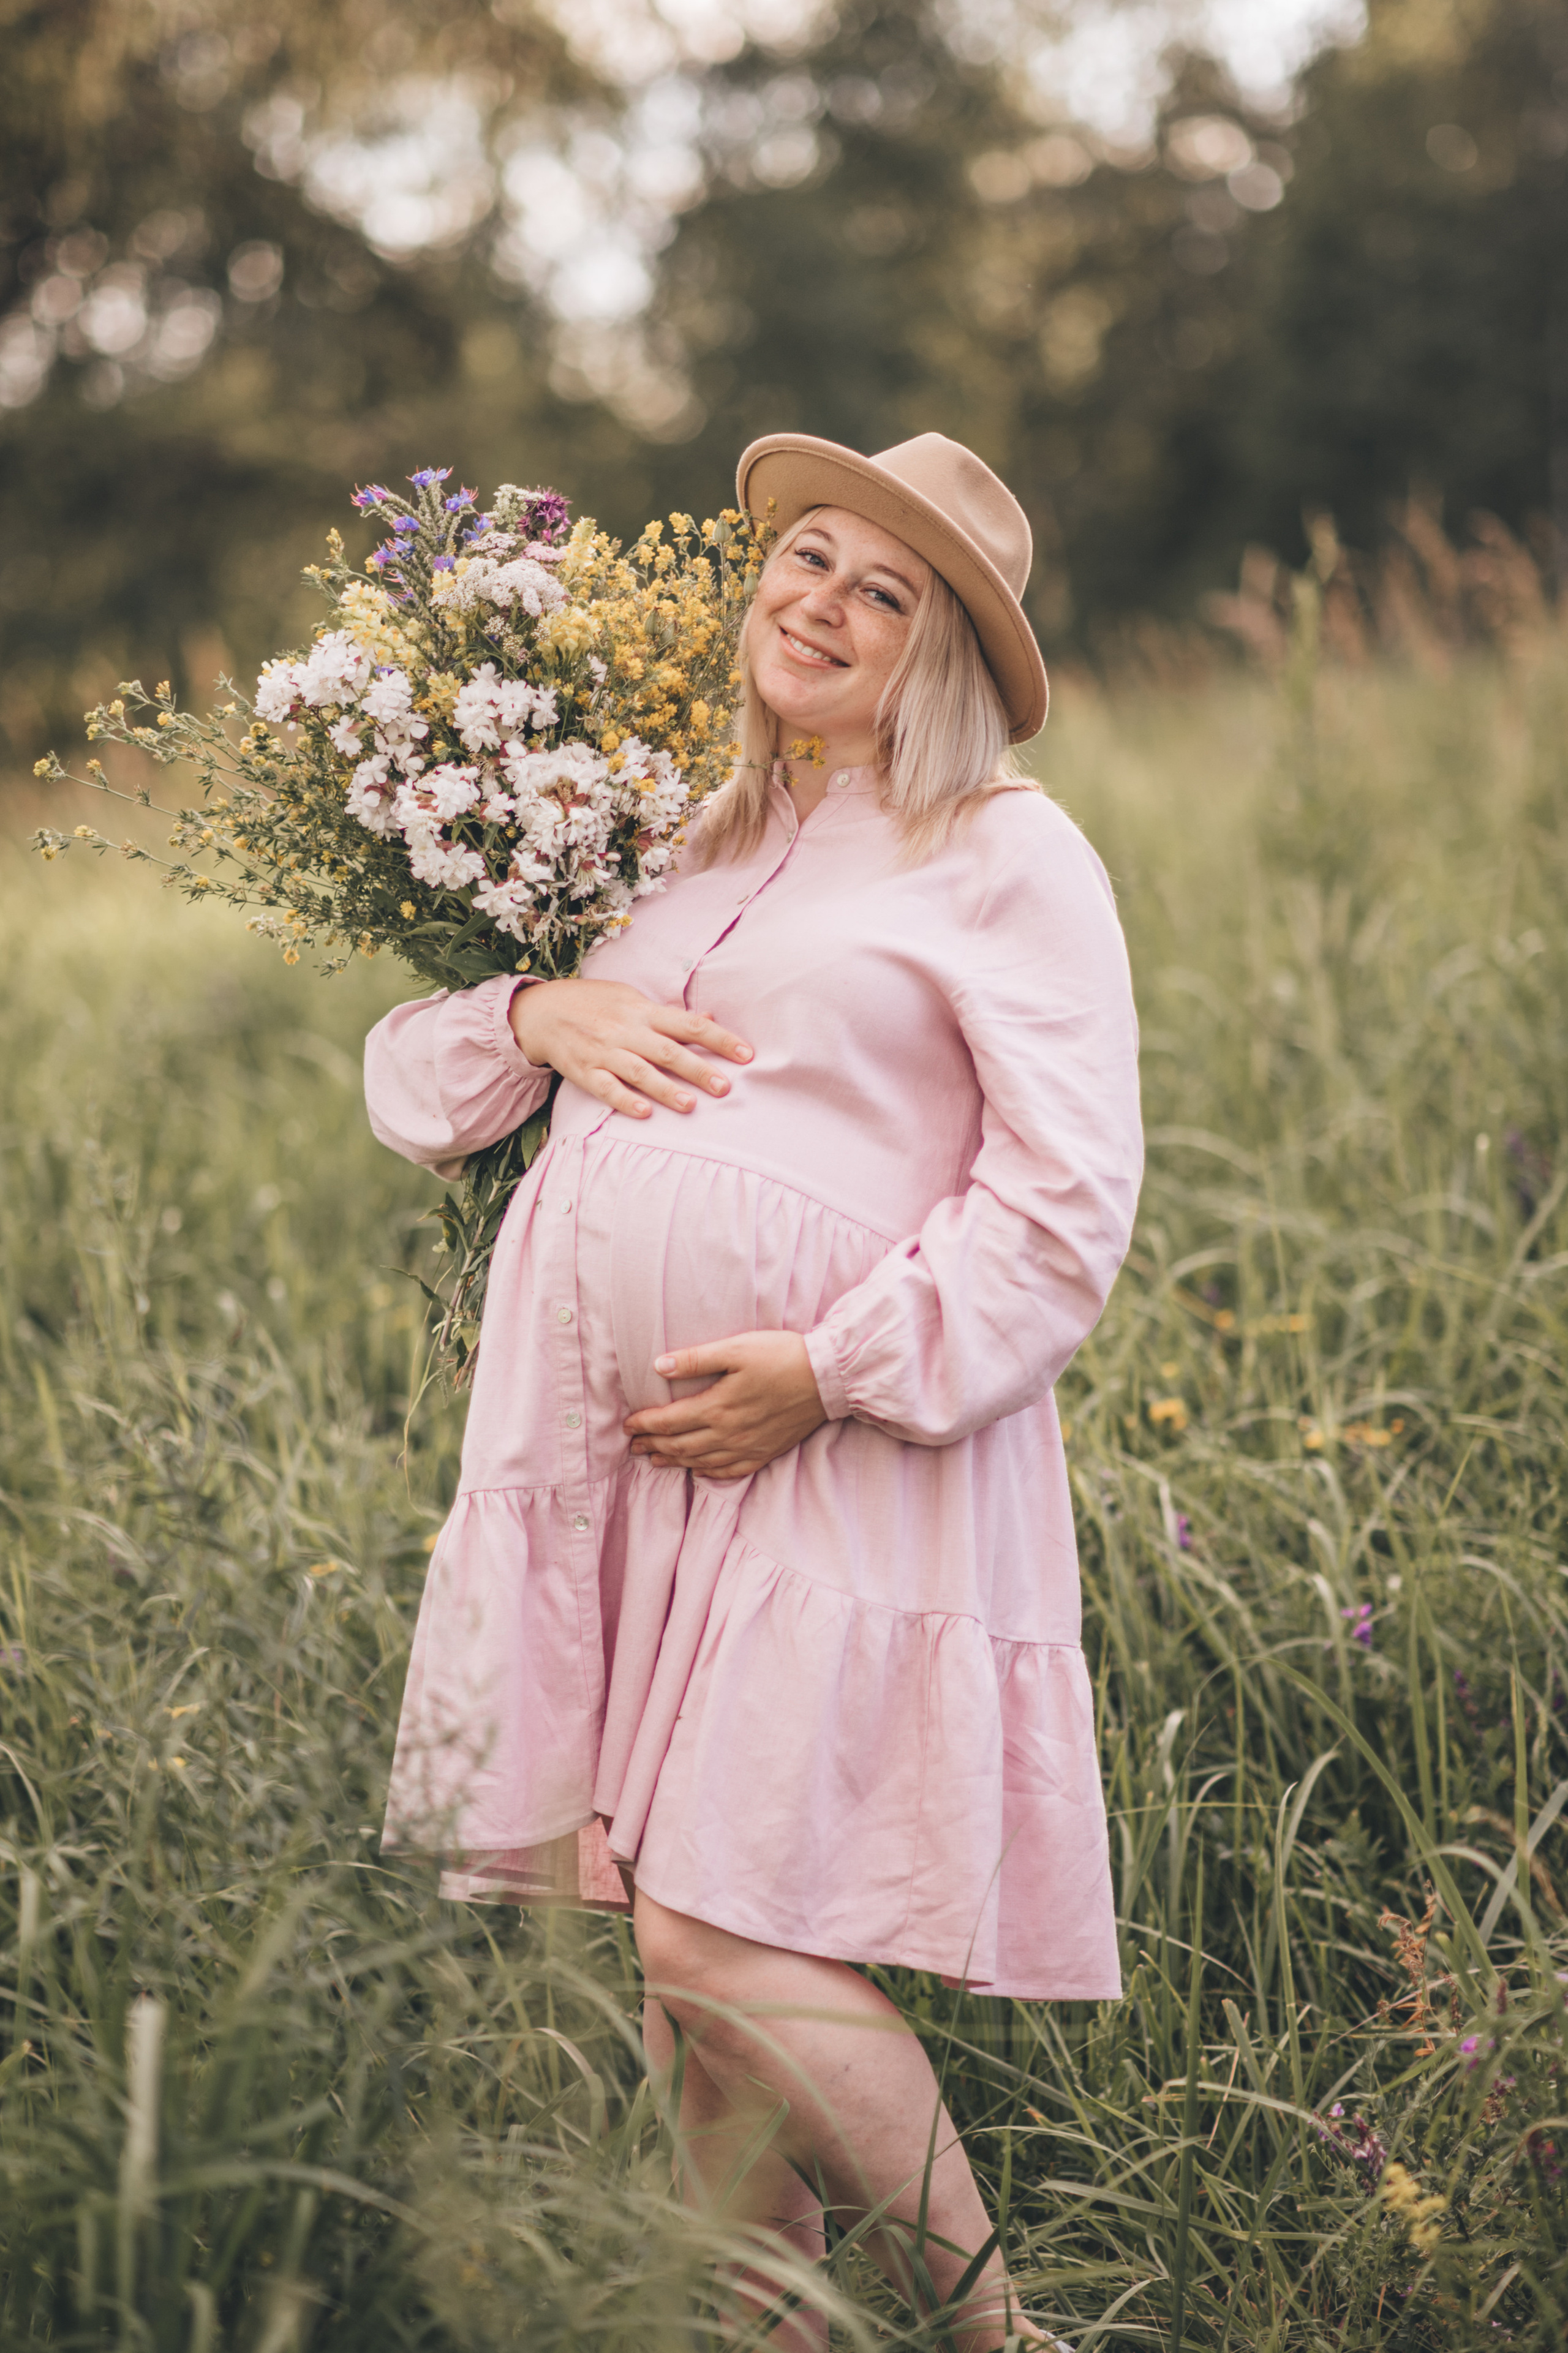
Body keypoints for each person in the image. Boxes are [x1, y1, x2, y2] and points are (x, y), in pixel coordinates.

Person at [363, 431, 1143, 2349]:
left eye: (887, 591)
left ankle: (995, 2333)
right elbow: (415, 1085)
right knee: (681, 1964)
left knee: (725, 1928)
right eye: (808, 557)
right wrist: (540, 1008)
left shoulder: (1004, 850)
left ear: (940, 652)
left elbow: (1065, 1202)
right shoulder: (658, 833)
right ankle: (766, 2330)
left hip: (840, 1455)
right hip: (630, 1479)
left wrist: (829, 1368)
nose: (826, 602)